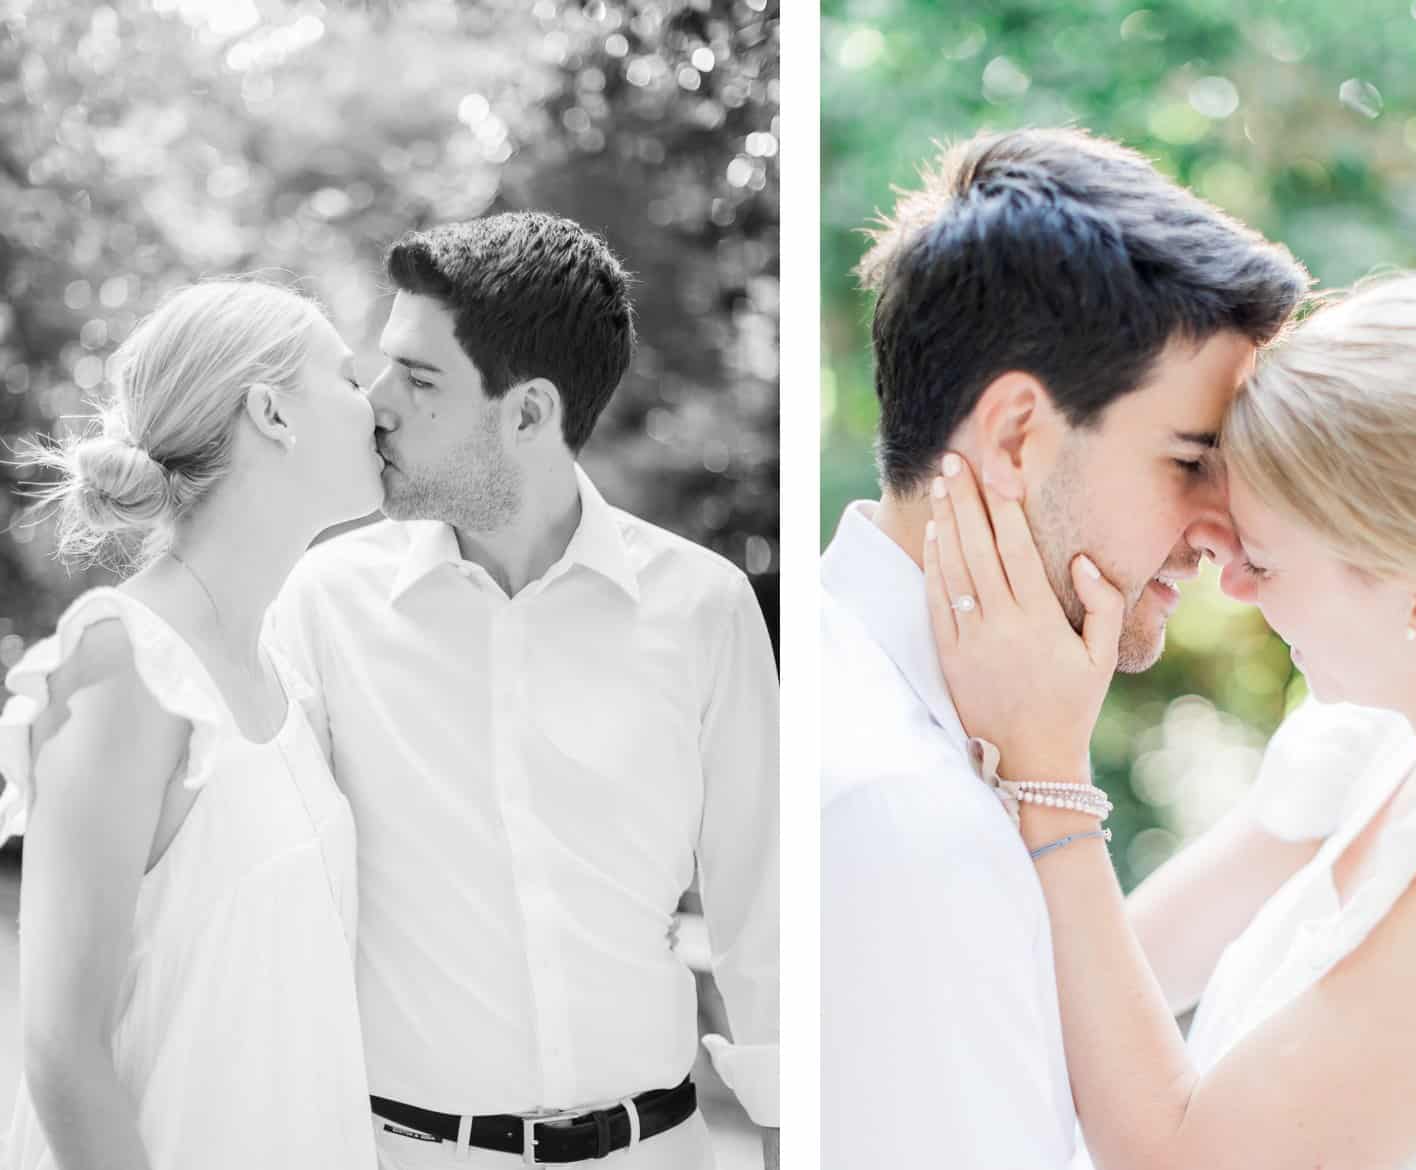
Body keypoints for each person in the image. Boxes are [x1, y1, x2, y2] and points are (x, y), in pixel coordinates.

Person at [924, 271, 1416, 1169]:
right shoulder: (1378, 737)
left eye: (1266, 565)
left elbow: (1178, 1159)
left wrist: (1049, 765)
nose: (1231, 584)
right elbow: (1115, 978)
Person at [819, 126, 1308, 1169]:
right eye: (1191, 462)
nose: (1225, 531)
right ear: (1013, 438)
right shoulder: (894, 810)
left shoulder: (937, 737)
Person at [266, 212, 778, 1170]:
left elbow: (768, 917)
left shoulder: (703, 609)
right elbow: (270, 900)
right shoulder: (325, 605)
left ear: (530, 413)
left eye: (419, 379)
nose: (375, 403)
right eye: (387, 368)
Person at [0, 279, 382, 1169]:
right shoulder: (125, 663)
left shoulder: (281, 676)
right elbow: (63, 1050)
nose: (377, 408)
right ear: (272, 413)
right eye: (350, 377)